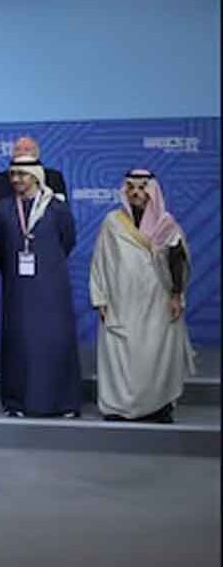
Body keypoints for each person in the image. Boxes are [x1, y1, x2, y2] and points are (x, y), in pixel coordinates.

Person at [91, 170, 197, 423]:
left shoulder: (167, 224)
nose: (136, 193)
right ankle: (118, 406)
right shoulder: (112, 222)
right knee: (121, 354)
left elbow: (177, 263)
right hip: (121, 300)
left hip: (156, 301)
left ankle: (157, 406)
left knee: (156, 354)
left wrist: (176, 296)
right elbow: (100, 261)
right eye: (131, 188)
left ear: (152, 192)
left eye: (142, 188)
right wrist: (100, 297)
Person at [0, 158, 81, 418]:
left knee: (55, 339)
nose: (16, 179)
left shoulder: (57, 208)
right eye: (13, 174)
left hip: (52, 286)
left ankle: (63, 402)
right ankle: (17, 401)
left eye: (22, 174)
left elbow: (67, 241)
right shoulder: (3, 208)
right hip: (18, 288)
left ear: (36, 177)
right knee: (20, 340)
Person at [0, 136, 68, 208]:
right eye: (17, 149)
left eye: (27, 149)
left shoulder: (54, 178)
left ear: (37, 154)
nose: (22, 153)